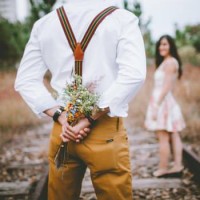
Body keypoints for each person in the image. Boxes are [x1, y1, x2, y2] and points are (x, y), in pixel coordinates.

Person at [15, 0, 146, 199]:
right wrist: (90, 118)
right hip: (104, 127)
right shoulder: (122, 19)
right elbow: (134, 75)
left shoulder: (44, 24)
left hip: (64, 130)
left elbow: (25, 80)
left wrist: (60, 116)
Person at [145, 35, 186, 178]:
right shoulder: (168, 62)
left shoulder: (169, 63)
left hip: (162, 102)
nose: (162, 47)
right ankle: (177, 165)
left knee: (163, 136)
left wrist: (157, 104)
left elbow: (167, 86)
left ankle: (163, 168)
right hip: (166, 101)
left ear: (171, 46)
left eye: (165, 44)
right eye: (160, 45)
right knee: (174, 135)